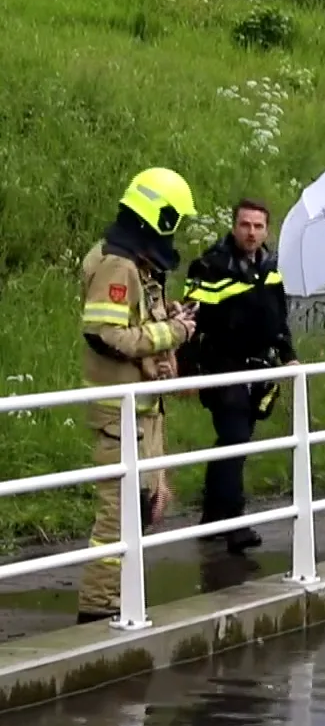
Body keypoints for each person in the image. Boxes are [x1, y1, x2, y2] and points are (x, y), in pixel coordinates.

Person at [77, 168, 202, 624]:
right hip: (118, 411)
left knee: (143, 509)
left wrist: (166, 314)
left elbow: (131, 321)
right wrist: (173, 331)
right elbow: (104, 332)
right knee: (117, 517)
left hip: (141, 411)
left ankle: (120, 601)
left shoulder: (135, 260)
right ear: (159, 215)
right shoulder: (117, 264)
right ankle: (98, 610)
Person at [179, 199, 295, 556]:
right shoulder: (211, 265)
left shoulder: (272, 267)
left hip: (259, 367)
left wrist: (289, 356)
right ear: (234, 226)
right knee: (235, 438)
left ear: (267, 230)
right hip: (220, 365)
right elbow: (188, 322)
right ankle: (235, 524)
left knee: (234, 442)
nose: (251, 232)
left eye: (258, 227)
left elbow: (279, 317)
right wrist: (187, 372)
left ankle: (213, 517)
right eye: (245, 225)